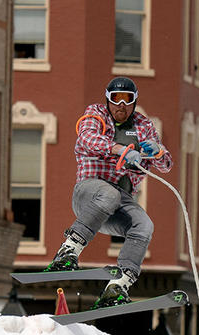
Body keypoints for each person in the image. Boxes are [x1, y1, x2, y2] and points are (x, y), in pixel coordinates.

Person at [43, 76, 174, 309]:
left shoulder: (143, 126)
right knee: (109, 194)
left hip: (119, 203)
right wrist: (119, 149)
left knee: (144, 225)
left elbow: (166, 166)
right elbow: (87, 139)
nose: (121, 105)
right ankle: (69, 250)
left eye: (127, 100)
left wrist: (158, 151)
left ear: (134, 102)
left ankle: (119, 284)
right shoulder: (96, 115)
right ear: (108, 100)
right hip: (90, 192)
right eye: (116, 99)